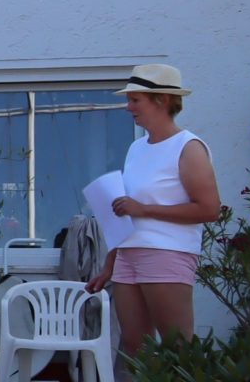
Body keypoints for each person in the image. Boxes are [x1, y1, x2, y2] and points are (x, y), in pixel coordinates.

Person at [84, 65, 222, 366]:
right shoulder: (137, 148)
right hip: (128, 255)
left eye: (135, 100)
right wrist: (110, 263)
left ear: (162, 100)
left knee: (176, 346)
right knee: (135, 347)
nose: (128, 107)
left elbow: (209, 209)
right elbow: (128, 211)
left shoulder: (188, 147)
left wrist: (144, 209)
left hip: (167, 252)